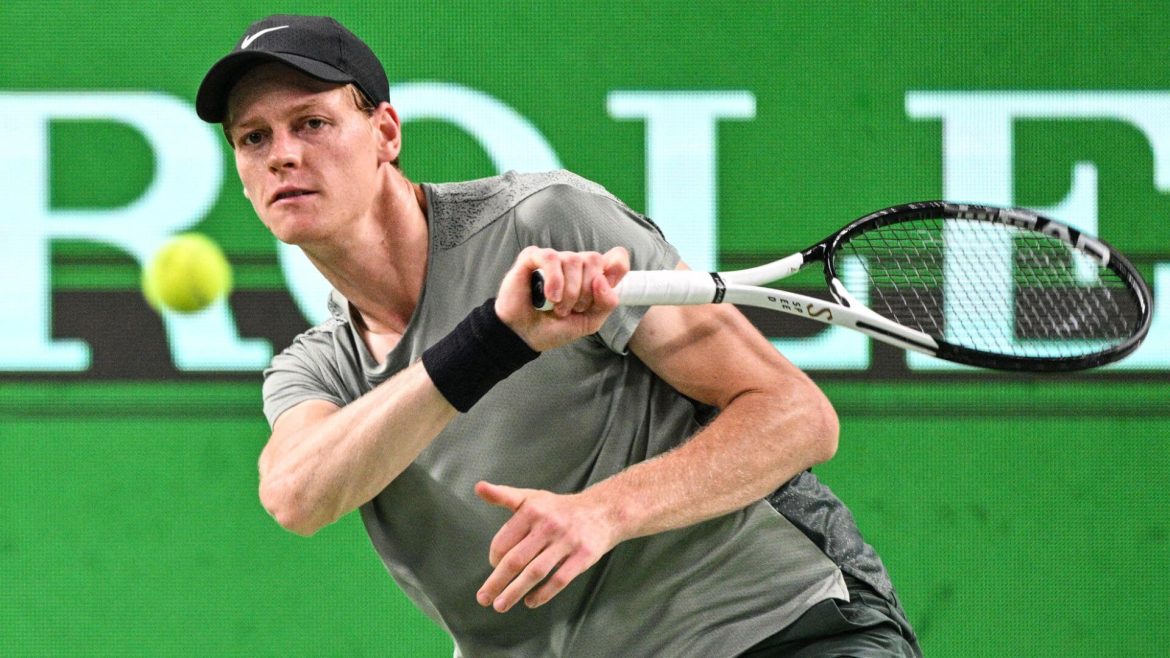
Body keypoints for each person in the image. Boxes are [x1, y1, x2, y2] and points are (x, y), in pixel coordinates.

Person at [195, 14, 922, 657]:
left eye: (311, 123)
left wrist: (605, 512)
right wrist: (496, 337)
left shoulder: (542, 222)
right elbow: (296, 494)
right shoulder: (319, 370)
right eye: (253, 138)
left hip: (778, 628)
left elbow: (797, 415)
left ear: (385, 133)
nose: (281, 155)